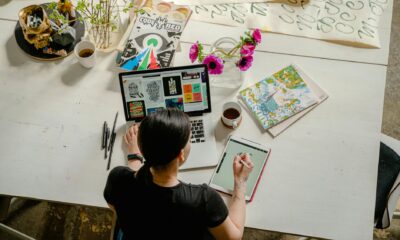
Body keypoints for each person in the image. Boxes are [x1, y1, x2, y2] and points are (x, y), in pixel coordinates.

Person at [104, 108, 254, 240]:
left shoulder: (117, 178)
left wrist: (133, 156)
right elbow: (233, 237)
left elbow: (115, 205)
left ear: (143, 150)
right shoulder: (203, 199)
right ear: (181, 155)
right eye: (189, 140)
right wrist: (240, 182)